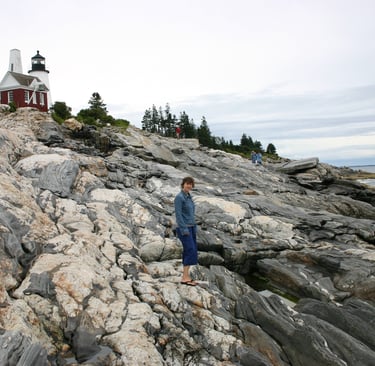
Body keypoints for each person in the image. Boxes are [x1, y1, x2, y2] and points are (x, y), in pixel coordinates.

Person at [174, 176, 198, 286]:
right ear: (183, 184)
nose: (189, 186)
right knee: (190, 250)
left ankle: (186, 275)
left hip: (192, 227)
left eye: (190, 184)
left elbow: (191, 213)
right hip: (184, 228)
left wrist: (194, 227)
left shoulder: (189, 197)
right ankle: (185, 277)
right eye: (187, 183)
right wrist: (184, 229)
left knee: (190, 250)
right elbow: (178, 215)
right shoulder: (179, 197)